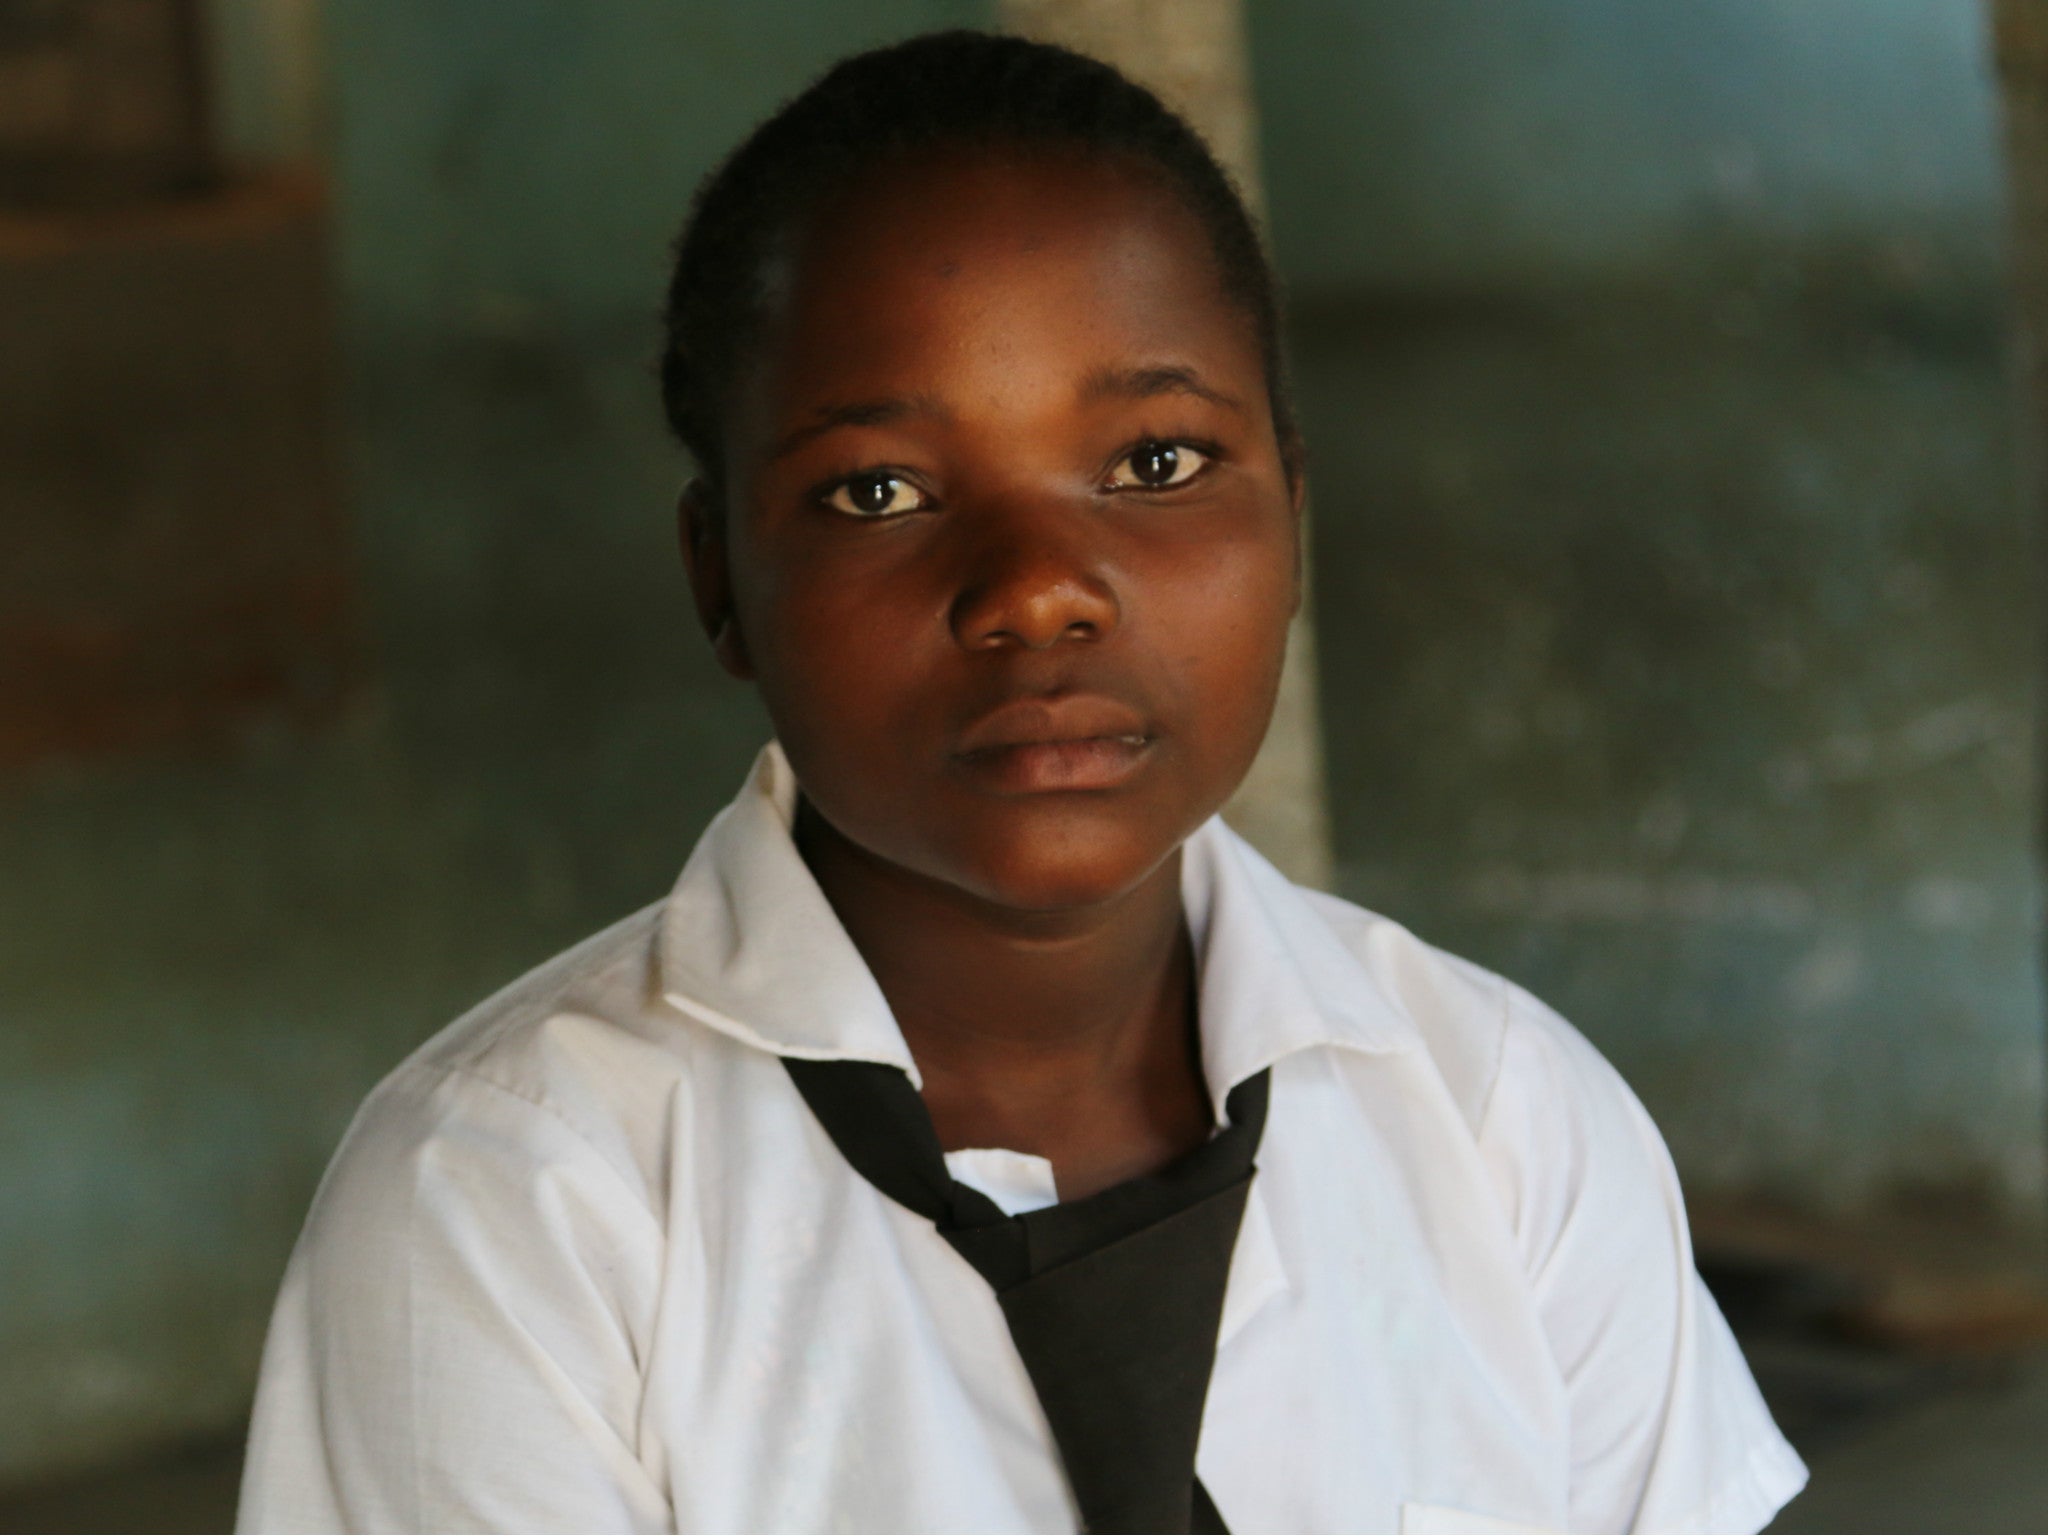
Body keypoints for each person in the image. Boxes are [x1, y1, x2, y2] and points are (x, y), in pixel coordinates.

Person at [237, 30, 1807, 1535]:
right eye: (881, 490)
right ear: (720, 578)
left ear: (1294, 513)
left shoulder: (1497, 1121)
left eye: (1159, 464)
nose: (1041, 587)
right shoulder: (517, 1206)